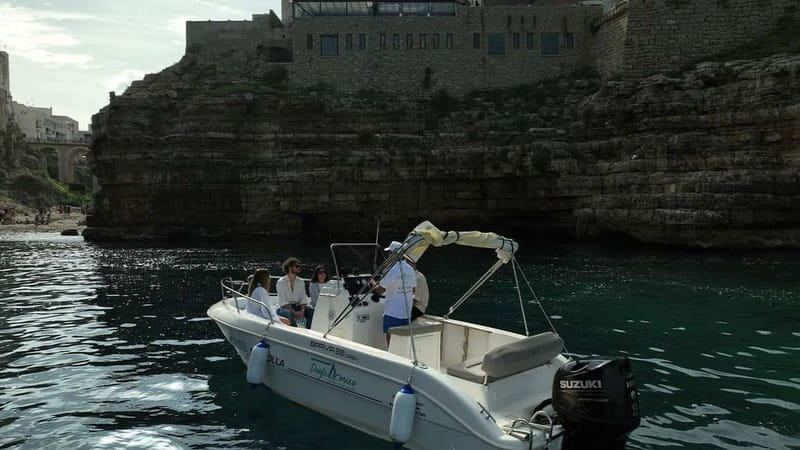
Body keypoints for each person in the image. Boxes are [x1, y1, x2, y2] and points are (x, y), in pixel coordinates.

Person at [376, 241, 416, 345]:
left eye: (389, 253)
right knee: (402, 343)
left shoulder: (390, 270)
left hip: (392, 313)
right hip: (407, 313)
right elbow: (413, 290)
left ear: (392, 254)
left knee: (391, 342)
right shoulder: (410, 269)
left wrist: (372, 282)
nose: (388, 255)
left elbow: (380, 290)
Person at [276, 257, 314, 328]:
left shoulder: (301, 281)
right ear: (290, 267)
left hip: (298, 307)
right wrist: (294, 312)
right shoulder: (281, 282)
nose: (299, 268)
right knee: (288, 313)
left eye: (299, 266)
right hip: (284, 308)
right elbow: (283, 301)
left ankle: (309, 331)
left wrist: (302, 311)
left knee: (312, 311)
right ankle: (295, 330)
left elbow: (303, 298)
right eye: (297, 266)